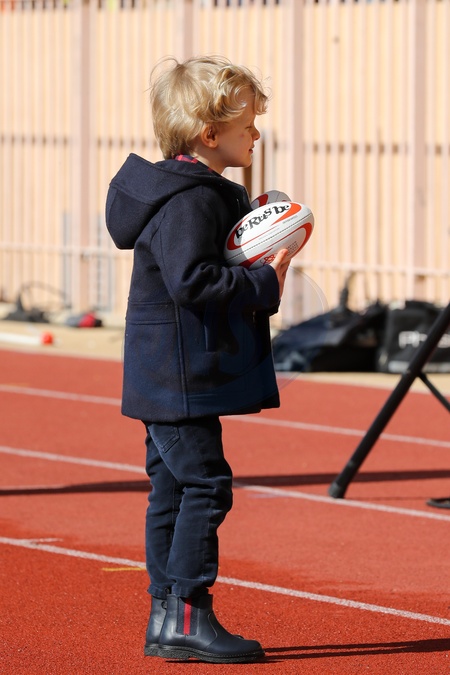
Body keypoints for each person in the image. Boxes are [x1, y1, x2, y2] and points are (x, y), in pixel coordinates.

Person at [105, 55, 290, 664]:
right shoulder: (191, 200)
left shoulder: (187, 193)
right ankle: (187, 612)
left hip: (166, 370)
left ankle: (167, 617)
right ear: (210, 134)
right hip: (178, 373)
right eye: (248, 124)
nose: (256, 134)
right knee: (207, 487)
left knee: (173, 489)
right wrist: (265, 280)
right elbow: (193, 281)